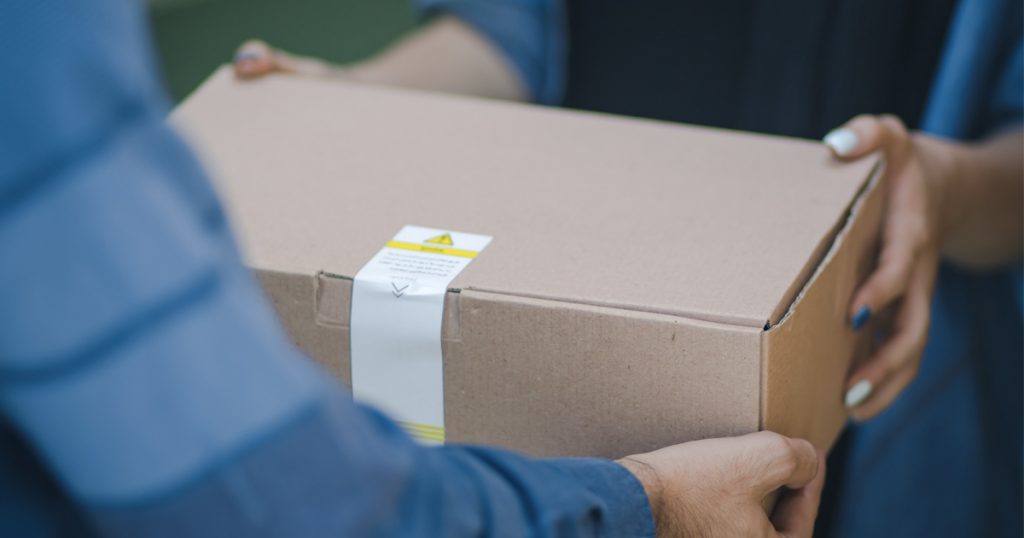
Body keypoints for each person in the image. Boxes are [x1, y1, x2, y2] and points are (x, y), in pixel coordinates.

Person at [0, 1, 829, 537]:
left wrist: (356, 96)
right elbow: (295, 504)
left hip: (775, 254)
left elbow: (505, 29)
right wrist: (652, 506)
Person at [233, 0, 1024, 535]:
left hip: (890, 395)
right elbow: (506, 30)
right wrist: (357, 101)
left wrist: (940, 187)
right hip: (562, 350)